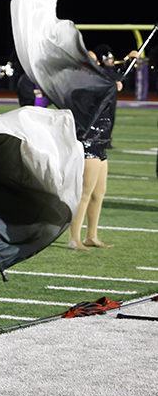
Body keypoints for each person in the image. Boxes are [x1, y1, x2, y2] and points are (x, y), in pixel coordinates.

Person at [66, 49, 135, 250]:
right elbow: (101, 85)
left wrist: (125, 66)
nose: (95, 63)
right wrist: (115, 81)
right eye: (92, 60)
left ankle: (91, 236)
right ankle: (73, 239)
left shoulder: (101, 80)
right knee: (85, 192)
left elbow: (110, 77)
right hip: (89, 139)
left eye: (96, 60)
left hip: (102, 140)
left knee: (99, 192)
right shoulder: (78, 82)